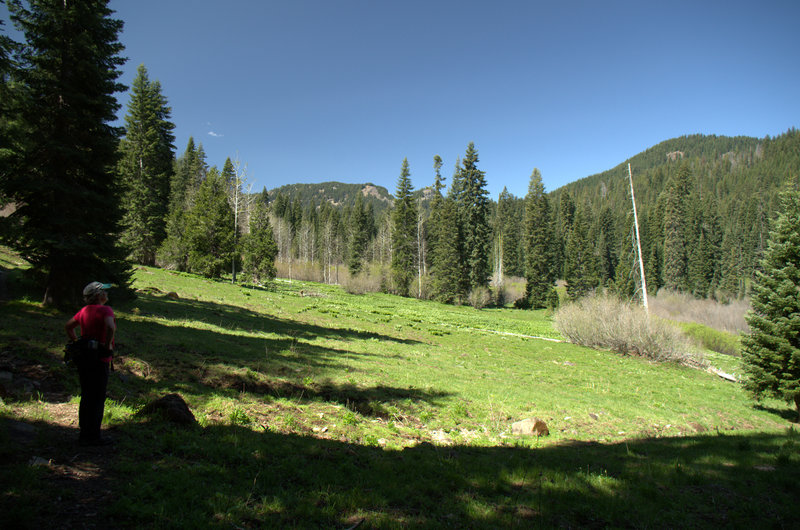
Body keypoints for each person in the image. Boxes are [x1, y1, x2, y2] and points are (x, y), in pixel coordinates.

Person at [65, 281, 116, 446]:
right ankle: (94, 436)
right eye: (104, 292)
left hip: (85, 357)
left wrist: (78, 342)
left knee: (86, 395)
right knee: (98, 396)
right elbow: (110, 327)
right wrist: (107, 345)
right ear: (98, 295)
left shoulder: (84, 310)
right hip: (100, 359)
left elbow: (68, 327)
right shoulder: (105, 310)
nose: (107, 294)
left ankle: (84, 433)